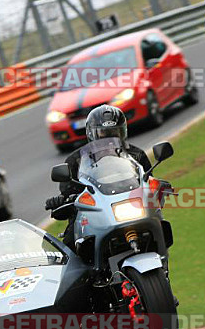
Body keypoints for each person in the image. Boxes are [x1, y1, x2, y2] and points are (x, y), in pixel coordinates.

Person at [45, 104, 152, 250]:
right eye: (103, 134)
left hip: (131, 207)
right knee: (70, 246)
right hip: (93, 215)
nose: (109, 139)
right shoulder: (75, 160)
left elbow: (148, 181)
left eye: (114, 133)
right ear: (92, 134)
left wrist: (158, 187)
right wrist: (61, 200)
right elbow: (67, 192)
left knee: (158, 222)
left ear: (123, 132)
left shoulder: (136, 154)